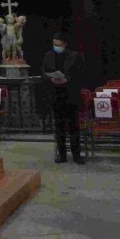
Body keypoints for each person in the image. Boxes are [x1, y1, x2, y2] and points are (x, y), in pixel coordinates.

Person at [40, 33, 86, 164]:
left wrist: (67, 79)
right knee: (59, 127)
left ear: (65, 44)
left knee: (73, 126)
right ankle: (61, 155)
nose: (56, 47)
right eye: (55, 44)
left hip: (71, 95)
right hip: (55, 95)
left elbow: (81, 75)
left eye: (59, 45)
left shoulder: (75, 56)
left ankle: (76, 155)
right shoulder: (48, 56)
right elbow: (43, 73)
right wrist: (51, 78)